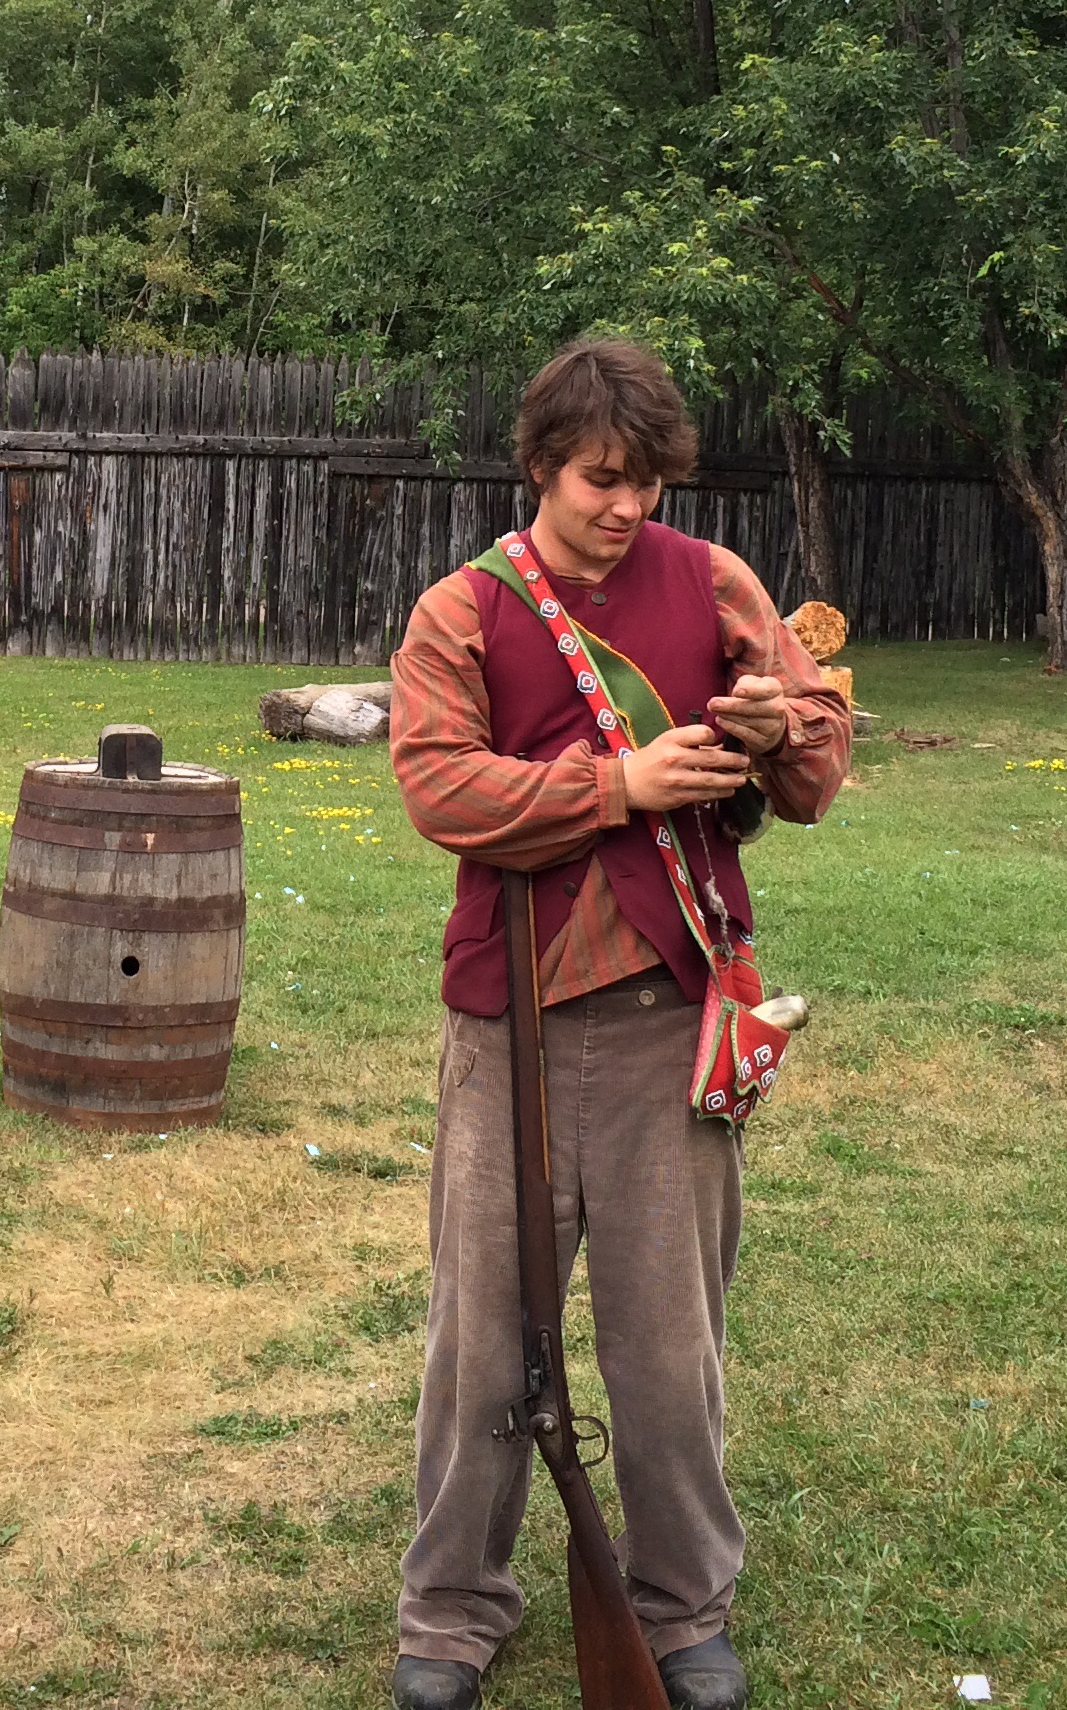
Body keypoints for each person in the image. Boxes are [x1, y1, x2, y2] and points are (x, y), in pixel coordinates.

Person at [384, 337, 852, 1710]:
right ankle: (452, 1611)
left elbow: (819, 768)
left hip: (672, 1021)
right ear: (542, 467)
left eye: (647, 482)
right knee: (481, 1342)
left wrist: (771, 731)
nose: (627, 507)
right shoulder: (460, 612)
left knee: (668, 1343)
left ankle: (683, 1603)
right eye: (600, 479)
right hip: (509, 1033)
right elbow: (441, 788)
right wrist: (621, 784)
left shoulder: (716, 583)